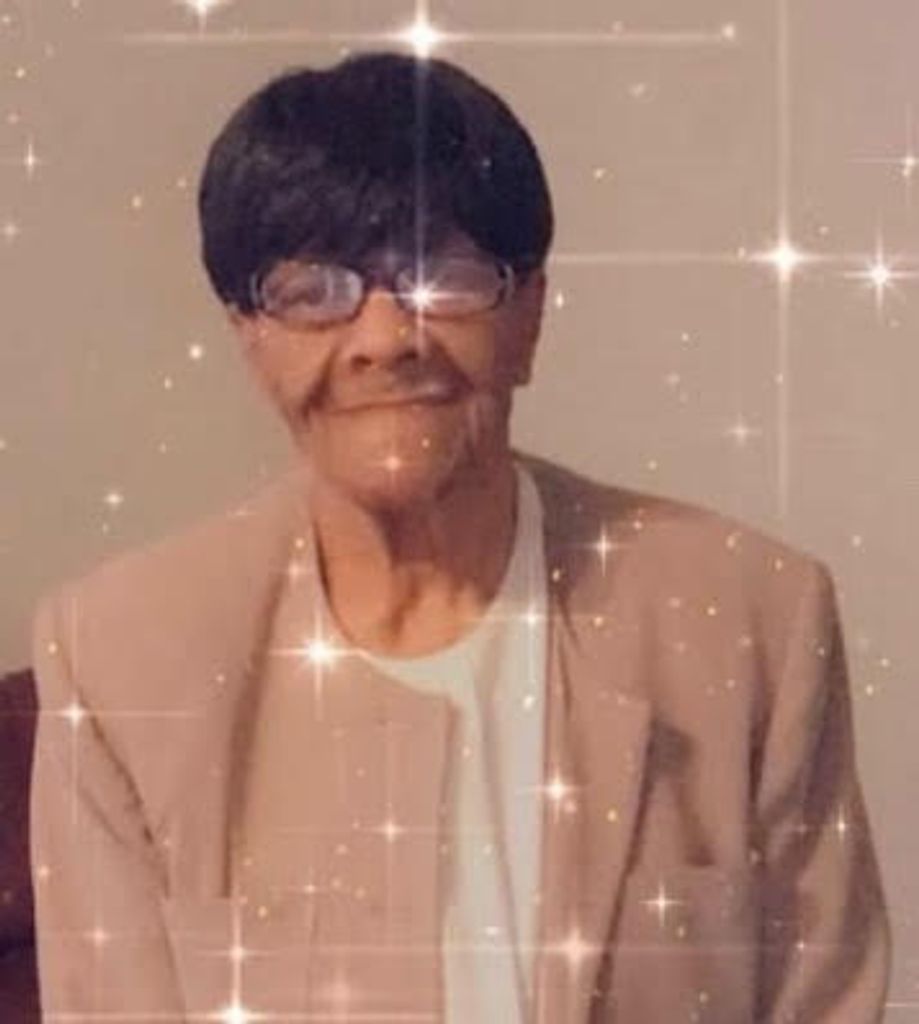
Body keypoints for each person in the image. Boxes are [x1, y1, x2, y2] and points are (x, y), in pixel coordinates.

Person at [29, 51, 889, 1023]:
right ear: (247, 334)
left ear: (529, 314)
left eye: (440, 274)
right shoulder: (122, 658)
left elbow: (825, 1000)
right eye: (312, 290)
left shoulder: (749, 618)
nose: (384, 338)